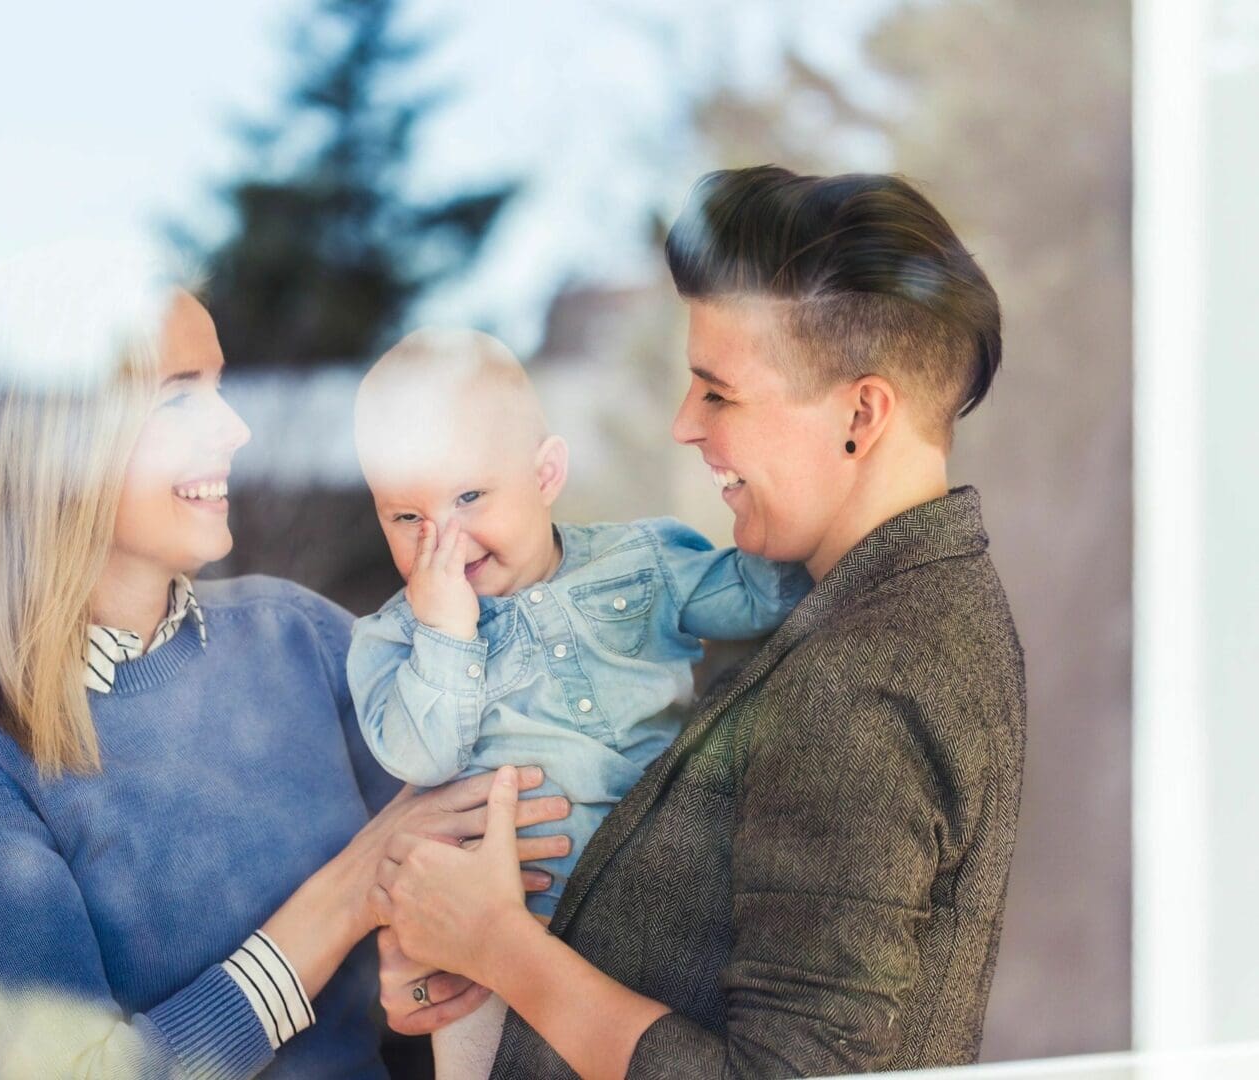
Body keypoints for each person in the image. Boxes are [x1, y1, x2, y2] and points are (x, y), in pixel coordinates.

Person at [370, 165, 1027, 1079]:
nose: (685, 424)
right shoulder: (891, 611)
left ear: (861, 414)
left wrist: (497, 948)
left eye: (718, 392)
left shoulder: (867, 676)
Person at [0, 280, 571, 1079]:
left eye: (221, 388)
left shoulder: (299, 639)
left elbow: (515, 855)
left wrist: (438, 968)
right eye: (177, 400)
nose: (234, 429)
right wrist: (343, 899)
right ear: (48, 444)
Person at [347, 329, 810, 1077]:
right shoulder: (395, 640)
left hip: (663, 909)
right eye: (407, 517)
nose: (444, 540)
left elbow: (762, 599)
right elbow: (420, 754)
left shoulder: (644, 560)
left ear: (546, 473)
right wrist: (447, 635)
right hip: (491, 950)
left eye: (469, 496)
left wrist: (785, 488)